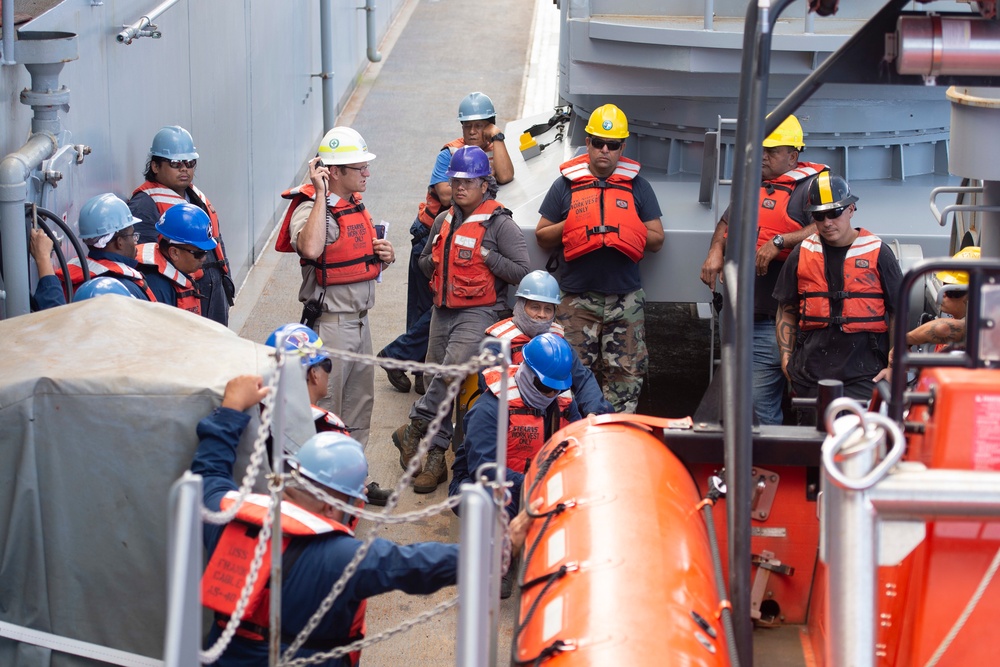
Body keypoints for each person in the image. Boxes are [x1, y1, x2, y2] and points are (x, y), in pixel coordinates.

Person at [192, 375, 533, 666]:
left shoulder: (226, 515)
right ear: (336, 504)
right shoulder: (342, 560)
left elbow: (209, 471)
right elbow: (419, 564)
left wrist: (231, 410)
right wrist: (503, 545)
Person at [392, 145, 529, 495]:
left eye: (468, 181)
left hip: (479, 311)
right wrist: (434, 263)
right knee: (439, 377)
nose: (460, 187)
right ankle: (436, 459)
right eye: (455, 180)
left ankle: (413, 426)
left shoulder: (502, 224)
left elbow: (523, 272)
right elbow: (423, 262)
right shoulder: (443, 219)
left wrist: (486, 256)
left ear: (485, 184)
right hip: (443, 309)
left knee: (451, 370)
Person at [378, 92, 515, 395]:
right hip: (431, 237)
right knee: (426, 310)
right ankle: (399, 359)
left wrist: (499, 139)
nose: (472, 133)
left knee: (442, 309)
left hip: (463, 240)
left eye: (480, 127)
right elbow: (444, 195)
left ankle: (407, 362)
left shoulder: (492, 152)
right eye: (467, 126)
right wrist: (477, 184)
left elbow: (505, 175)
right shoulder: (450, 154)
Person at [535, 103, 664, 414]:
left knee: (626, 377)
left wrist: (627, 227)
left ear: (622, 148)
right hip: (577, 300)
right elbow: (541, 235)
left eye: (613, 145)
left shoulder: (638, 188)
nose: (605, 150)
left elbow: (658, 240)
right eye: (598, 142)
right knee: (570, 376)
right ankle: (577, 441)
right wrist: (576, 224)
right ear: (588, 143)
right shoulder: (565, 186)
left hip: (625, 301)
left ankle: (617, 443)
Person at [699, 114, 828, 425]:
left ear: (793, 156)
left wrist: (780, 241)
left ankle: (768, 468)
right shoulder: (754, 184)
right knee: (744, 401)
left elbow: (829, 227)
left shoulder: (814, 188)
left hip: (773, 319)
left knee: (759, 408)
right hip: (740, 313)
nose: (763, 157)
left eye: (771, 151)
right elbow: (726, 222)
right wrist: (715, 250)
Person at [274, 127, 395, 450]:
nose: (367, 173)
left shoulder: (355, 205)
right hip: (331, 324)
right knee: (326, 406)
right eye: (360, 167)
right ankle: (321, 479)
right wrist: (319, 193)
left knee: (359, 405)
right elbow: (311, 248)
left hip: (360, 321)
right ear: (336, 172)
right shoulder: (311, 207)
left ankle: (355, 476)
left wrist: (385, 255)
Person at [450, 333, 581, 599]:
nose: (551, 394)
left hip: (543, 482)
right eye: (546, 387)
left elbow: (579, 447)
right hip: (492, 485)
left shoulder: (563, 402)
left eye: (556, 388)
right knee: (491, 500)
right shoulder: (491, 408)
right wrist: (533, 483)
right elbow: (483, 469)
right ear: (528, 373)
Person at [773, 172, 903, 414]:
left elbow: (900, 311)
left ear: (851, 209)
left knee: (858, 446)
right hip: (810, 375)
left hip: (865, 374)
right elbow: (786, 309)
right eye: (819, 216)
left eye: (834, 213)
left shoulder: (879, 253)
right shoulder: (801, 253)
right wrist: (787, 358)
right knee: (812, 446)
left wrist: (894, 365)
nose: (827, 222)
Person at [265, 323, 391, 506]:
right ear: (314, 374)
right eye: (327, 364)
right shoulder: (316, 433)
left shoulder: (260, 413)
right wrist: (347, 498)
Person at [129, 125, 234, 325]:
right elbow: (146, 262)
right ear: (155, 166)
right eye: (176, 163)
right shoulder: (144, 204)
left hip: (213, 294)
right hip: (182, 299)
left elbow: (215, 243)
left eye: (190, 162)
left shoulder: (195, 197)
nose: (184, 168)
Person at [484, 270, 612, 417]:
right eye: (535, 307)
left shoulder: (557, 341)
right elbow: (488, 383)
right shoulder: (498, 340)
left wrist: (593, 411)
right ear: (520, 305)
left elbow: (582, 377)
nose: (542, 315)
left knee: (605, 410)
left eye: (548, 309)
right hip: (512, 419)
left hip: (554, 418)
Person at [874, 246, 979, 382]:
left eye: (953, 291)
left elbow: (946, 329)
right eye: (944, 286)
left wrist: (905, 341)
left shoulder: (987, 327)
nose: (944, 295)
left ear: (975, 294)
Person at [135, 202, 218, 315]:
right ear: (174, 253)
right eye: (199, 253)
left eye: (206, 252)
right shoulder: (157, 288)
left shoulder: (178, 271)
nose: (204, 258)